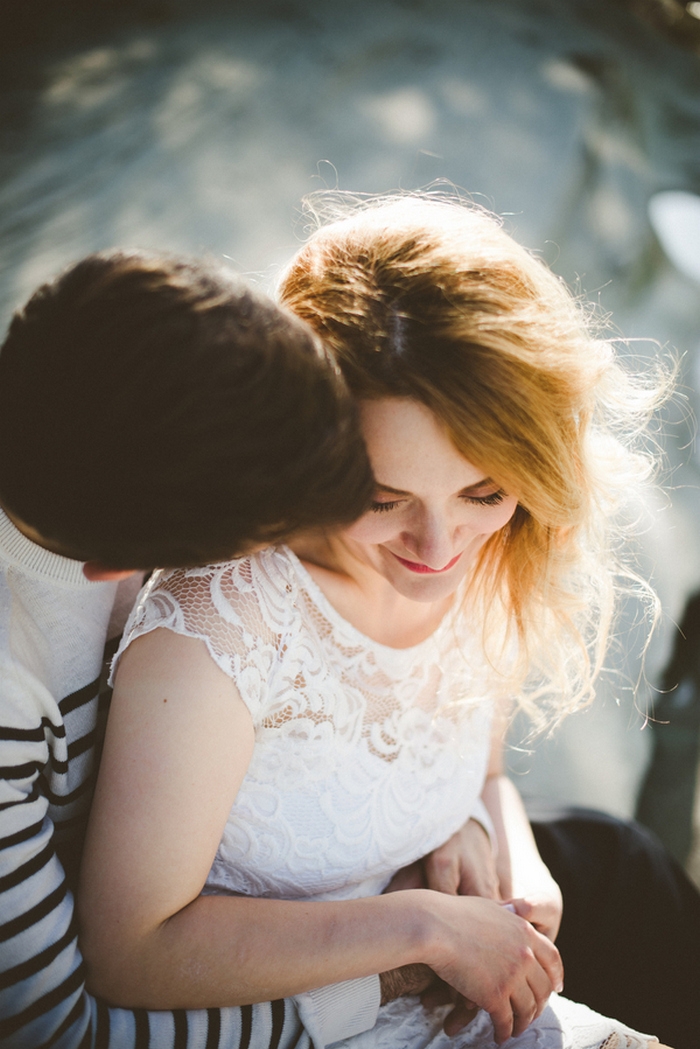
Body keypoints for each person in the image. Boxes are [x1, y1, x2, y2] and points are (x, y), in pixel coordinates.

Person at [77, 198, 685, 1049]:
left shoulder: (491, 559)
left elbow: (487, 769)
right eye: (382, 498)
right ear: (304, 452)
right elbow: (128, 951)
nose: (437, 548)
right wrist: (425, 927)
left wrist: (501, 842)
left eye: (483, 490)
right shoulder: (219, 630)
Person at [0, 248, 382, 1048]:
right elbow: (62, 1032)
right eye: (259, 548)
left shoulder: (106, 392)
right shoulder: (11, 692)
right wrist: (369, 988)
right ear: (114, 568)